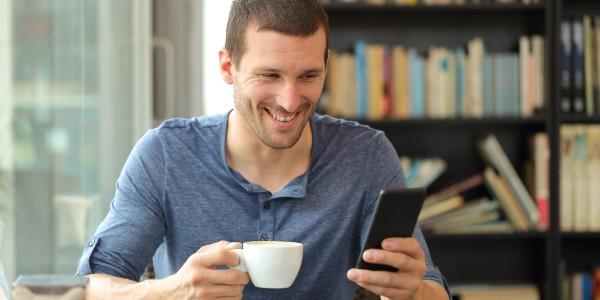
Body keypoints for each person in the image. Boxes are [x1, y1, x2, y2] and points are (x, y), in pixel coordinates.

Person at [76, 0, 450, 299]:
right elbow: (90, 288)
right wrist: (172, 292)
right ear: (228, 66)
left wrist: (415, 291)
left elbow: (432, 289)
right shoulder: (166, 154)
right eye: (269, 75)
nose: (289, 101)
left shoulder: (366, 155)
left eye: (308, 76)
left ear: (325, 66)